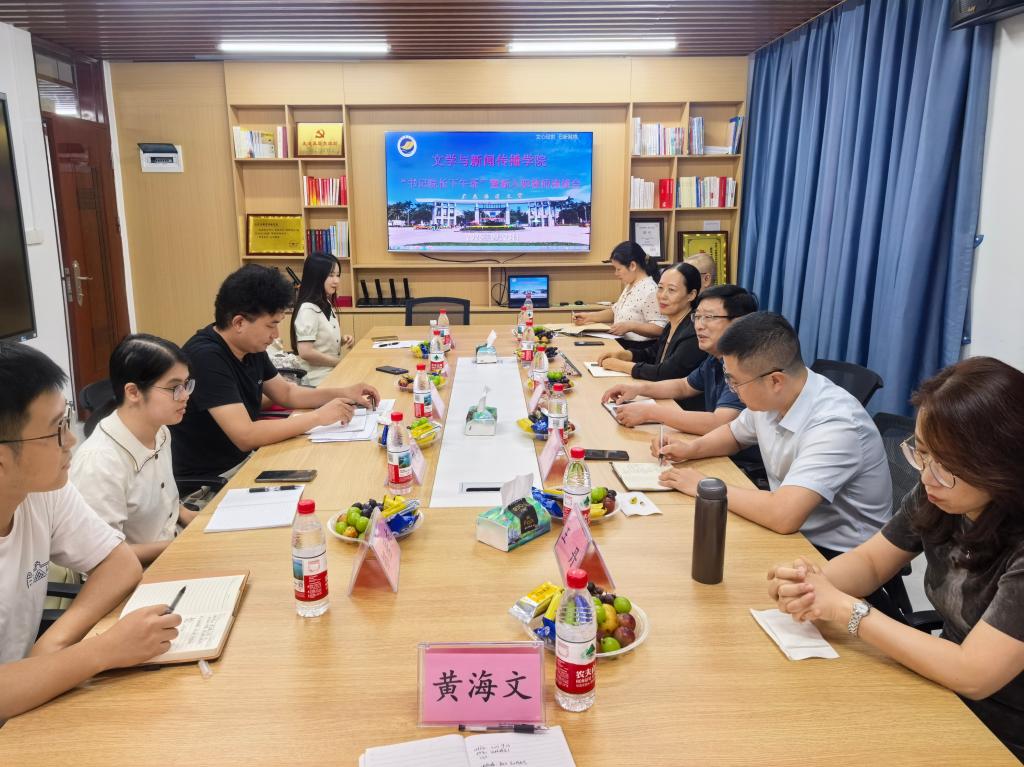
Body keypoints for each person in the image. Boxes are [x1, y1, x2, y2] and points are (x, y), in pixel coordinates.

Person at [768, 357, 1024, 760]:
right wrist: (812, 584)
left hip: (1003, 734)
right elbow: (872, 563)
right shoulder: (941, 494)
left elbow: (974, 673)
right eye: (922, 453)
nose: (927, 476)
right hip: (943, 693)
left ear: (1003, 464)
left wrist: (847, 610)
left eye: (949, 465)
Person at [0, 342, 181, 719]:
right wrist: (103, 650)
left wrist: (52, 646)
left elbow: (120, 565)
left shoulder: (43, 490)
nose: (71, 440)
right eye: (55, 431)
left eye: (66, 420)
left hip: (32, 701)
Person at [655, 312, 891, 556]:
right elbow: (734, 435)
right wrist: (691, 449)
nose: (733, 390)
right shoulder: (777, 395)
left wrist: (704, 486)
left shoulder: (836, 424)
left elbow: (783, 515)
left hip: (836, 552)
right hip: (790, 530)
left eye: (735, 382)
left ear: (775, 381)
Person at [171, 265, 379, 481]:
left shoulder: (249, 346)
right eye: (271, 325)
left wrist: (345, 392)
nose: (276, 335)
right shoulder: (206, 357)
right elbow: (246, 435)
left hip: (249, 458)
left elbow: (287, 393)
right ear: (239, 323)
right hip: (216, 478)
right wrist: (318, 417)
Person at [70, 334, 197, 566]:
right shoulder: (99, 461)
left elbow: (161, 497)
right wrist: (181, 546)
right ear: (133, 392)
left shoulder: (160, 431)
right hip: (138, 573)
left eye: (186, 384)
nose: (185, 396)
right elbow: (102, 553)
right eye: (174, 388)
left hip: (173, 548)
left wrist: (193, 519)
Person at [601, 284, 757, 434]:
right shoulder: (715, 357)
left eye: (709, 317)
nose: (699, 326)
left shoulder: (747, 364)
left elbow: (719, 423)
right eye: (697, 317)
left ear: (738, 323)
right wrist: (638, 389)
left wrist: (652, 413)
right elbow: (684, 386)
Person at [596, 262, 706, 410]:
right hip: (663, 399)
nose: (662, 296)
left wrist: (619, 365)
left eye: (671, 290)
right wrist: (623, 355)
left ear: (691, 295)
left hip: (682, 409)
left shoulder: (694, 331)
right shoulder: (672, 323)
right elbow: (653, 353)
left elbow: (665, 373)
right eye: (660, 288)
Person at [572, 241, 666, 342]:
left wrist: (631, 326)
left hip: (638, 348)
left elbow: (660, 328)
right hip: (621, 342)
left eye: (618, 269)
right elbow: (615, 312)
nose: (616, 274)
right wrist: (589, 317)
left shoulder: (650, 290)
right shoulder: (631, 285)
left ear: (632, 266)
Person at [290, 253, 354, 386]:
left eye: (338, 275)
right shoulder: (308, 309)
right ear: (316, 276)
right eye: (330, 275)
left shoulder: (325, 302)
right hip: (317, 379)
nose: (336, 281)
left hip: (331, 373)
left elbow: (320, 342)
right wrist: (339, 362)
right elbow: (306, 352)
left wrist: (342, 339)